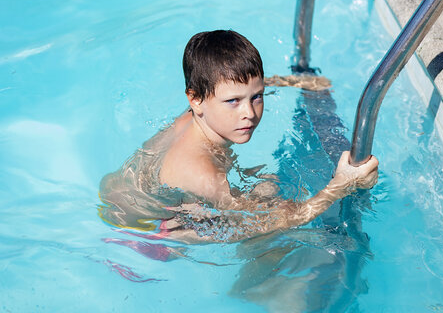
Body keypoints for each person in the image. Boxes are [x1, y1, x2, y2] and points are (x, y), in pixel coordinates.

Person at [98, 29, 379, 243]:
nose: (249, 112)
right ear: (196, 100)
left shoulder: (199, 109)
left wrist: (292, 82)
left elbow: (240, 86)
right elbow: (271, 221)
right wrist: (341, 186)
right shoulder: (204, 175)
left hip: (122, 195)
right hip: (138, 234)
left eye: (256, 97)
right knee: (267, 228)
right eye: (233, 102)